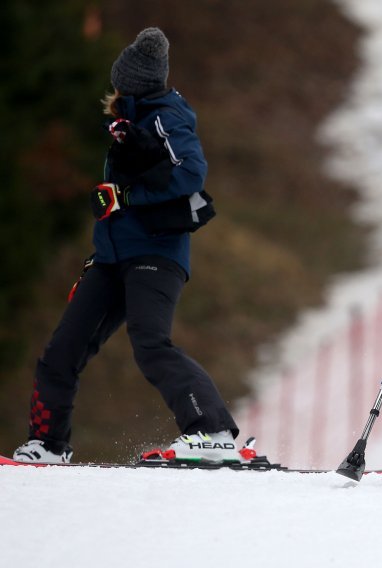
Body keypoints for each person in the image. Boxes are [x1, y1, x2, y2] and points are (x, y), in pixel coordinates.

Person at [12, 27, 241, 464]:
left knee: (150, 341)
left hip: (156, 254)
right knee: (62, 351)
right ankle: (47, 445)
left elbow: (191, 174)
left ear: (131, 81)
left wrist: (127, 195)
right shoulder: (130, 121)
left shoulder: (166, 115)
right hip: (112, 256)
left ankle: (212, 433)